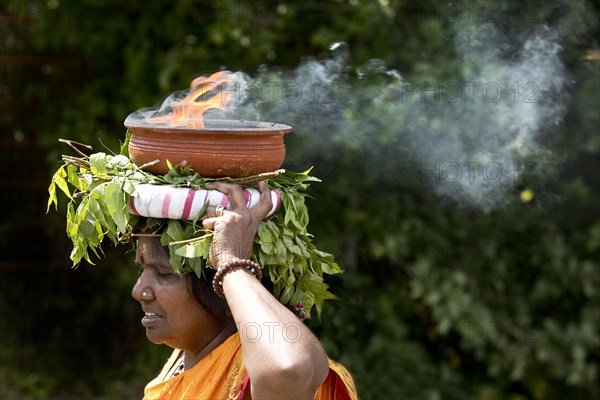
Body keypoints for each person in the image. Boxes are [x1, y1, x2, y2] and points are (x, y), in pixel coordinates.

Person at [132, 181, 357, 399]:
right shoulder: (182, 361)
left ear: (221, 288)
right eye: (142, 269)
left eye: (163, 273)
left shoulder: (250, 373)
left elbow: (290, 370)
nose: (138, 290)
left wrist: (231, 262)